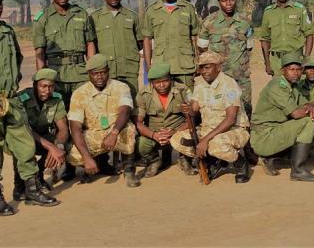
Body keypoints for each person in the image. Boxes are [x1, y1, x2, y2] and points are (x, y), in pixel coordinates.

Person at [0, 0, 58, 215]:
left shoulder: (7, 31)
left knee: (25, 145)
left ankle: (30, 190)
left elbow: (17, 58)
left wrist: (13, 82)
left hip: (11, 99)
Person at [171, 51, 251, 183]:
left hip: (234, 130)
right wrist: (188, 109)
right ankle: (213, 161)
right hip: (208, 129)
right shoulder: (200, 83)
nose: (203, 71)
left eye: (207, 67)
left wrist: (205, 140)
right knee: (177, 139)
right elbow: (194, 109)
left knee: (215, 145)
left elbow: (230, 119)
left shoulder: (229, 84)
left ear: (218, 67)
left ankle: (241, 164)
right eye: (201, 67)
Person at [66, 54, 140, 187]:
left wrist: (113, 133)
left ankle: (129, 171)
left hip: (116, 130)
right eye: (95, 74)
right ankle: (94, 167)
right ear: (89, 74)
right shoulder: (79, 94)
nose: (99, 77)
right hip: (93, 133)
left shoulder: (121, 87)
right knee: (74, 155)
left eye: (103, 73)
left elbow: (125, 111)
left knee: (128, 129)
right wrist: (87, 158)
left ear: (108, 71)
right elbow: (75, 127)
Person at [250, 54, 314, 182]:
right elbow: (296, 113)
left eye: (298, 70)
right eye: (292, 69)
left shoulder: (293, 86)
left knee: (312, 123)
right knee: (307, 122)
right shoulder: (278, 86)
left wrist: (311, 107)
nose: (296, 73)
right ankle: (298, 171)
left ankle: (272, 158)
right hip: (264, 136)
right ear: (283, 71)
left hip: (274, 131)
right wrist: (311, 109)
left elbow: (304, 105)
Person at [32, 0, 96, 109]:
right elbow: (40, 51)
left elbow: (90, 43)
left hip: (80, 72)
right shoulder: (43, 18)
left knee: (84, 111)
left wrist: (92, 70)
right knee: (58, 113)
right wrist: (43, 78)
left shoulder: (81, 14)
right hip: (55, 74)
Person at [13, 68, 70, 200]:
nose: (47, 91)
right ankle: (19, 185)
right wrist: (51, 147)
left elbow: (63, 129)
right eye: (43, 86)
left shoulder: (56, 99)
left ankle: (38, 176)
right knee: (22, 146)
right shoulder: (22, 99)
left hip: (43, 136)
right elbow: (25, 130)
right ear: (35, 85)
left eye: (51, 86)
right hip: (24, 136)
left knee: (64, 144)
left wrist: (58, 146)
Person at [197, 0, 253, 116]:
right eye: (224, 1)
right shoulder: (209, 22)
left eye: (231, 0)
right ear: (219, 2)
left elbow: (249, 47)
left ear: (235, 0)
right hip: (218, 77)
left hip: (241, 77)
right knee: (218, 111)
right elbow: (202, 48)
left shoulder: (245, 21)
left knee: (245, 110)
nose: (228, 3)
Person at [142, 0, 200, 89]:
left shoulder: (188, 8)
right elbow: (147, 40)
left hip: (185, 66)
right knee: (164, 105)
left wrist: (198, 61)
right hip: (161, 66)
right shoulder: (152, 11)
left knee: (187, 102)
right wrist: (148, 66)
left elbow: (195, 36)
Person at [135, 63, 190, 178]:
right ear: (151, 83)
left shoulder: (182, 90)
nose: (162, 85)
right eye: (157, 83)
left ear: (170, 79)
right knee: (140, 144)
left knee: (191, 135)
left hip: (177, 131)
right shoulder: (144, 94)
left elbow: (190, 119)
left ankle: (184, 158)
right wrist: (154, 135)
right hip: (155, 133)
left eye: (165, 81)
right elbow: (138, 123)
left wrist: (174, 132)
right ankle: (154, 160)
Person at [90, 0, 142, 97]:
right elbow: (91, 45)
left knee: (131, 101)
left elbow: (140, 42)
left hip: (129, 69)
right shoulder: (94, 18)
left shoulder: (132, 16)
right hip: (106, 70)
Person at [258, 0, 313, 76]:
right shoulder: (268, 12)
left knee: (297, 89)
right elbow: (265, 39)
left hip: (295, 58)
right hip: (276, 61)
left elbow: (309, 34)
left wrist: (306, 58)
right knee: (278, 90)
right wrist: (267, 63)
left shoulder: (299, 9)